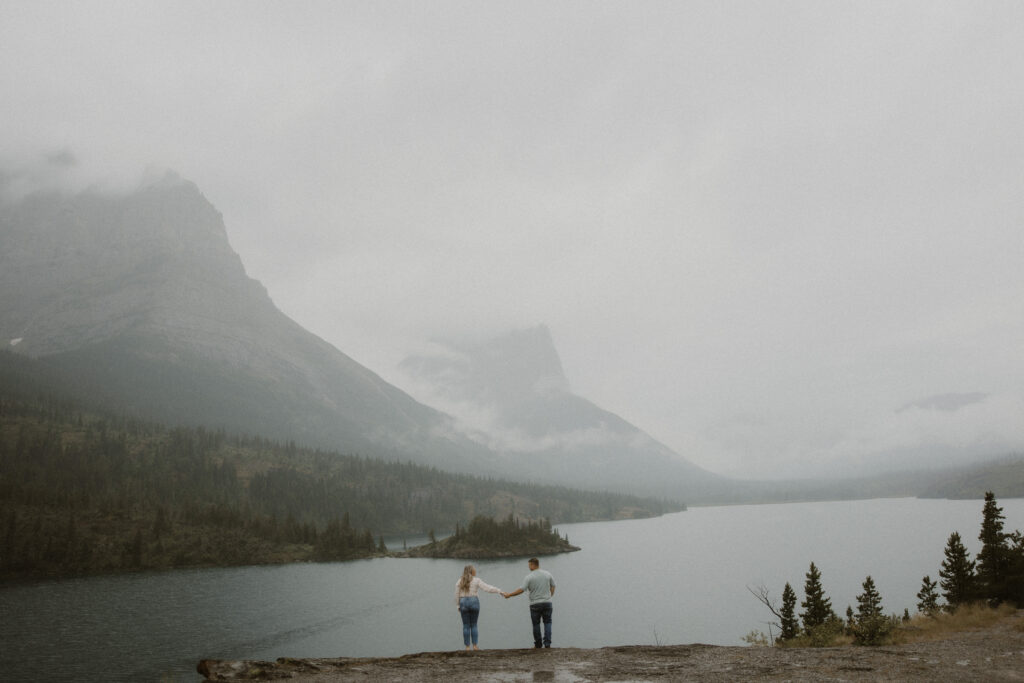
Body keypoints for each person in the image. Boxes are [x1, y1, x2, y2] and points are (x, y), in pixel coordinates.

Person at [502, 557, 555, 648]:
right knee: (547, 623)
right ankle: (547, 644)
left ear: (533, 565)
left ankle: (538, 644)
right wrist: (550, 596)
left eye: (529, 565)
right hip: (547, 603)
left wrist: (510, 595)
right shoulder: (548, 574)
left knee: (536, 624)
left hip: (535, 604)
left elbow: (522, 590)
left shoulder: (529, 577)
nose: (528, 567)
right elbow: (553, 586)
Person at [455, 564, 503, 651]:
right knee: (474, 625)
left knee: (466, 626)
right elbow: (487, 588)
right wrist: (499, 591)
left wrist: (458, 605)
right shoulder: (476, 580)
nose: (475, 571)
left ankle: (467, 647)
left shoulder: (459, 581)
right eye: (474, 569)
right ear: (471, 571)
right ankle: (475, 646)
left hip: (463, 602)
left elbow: (456, 594)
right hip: (474, 602)